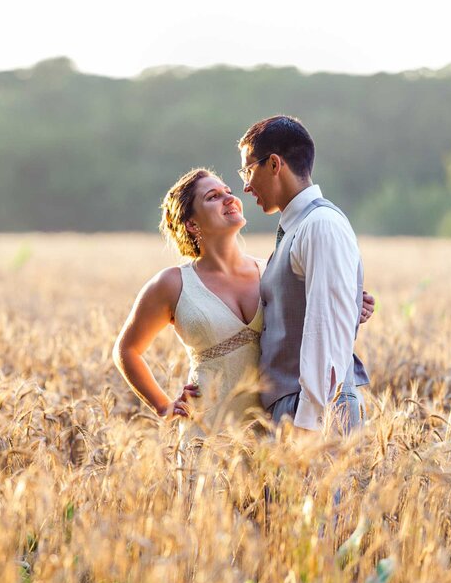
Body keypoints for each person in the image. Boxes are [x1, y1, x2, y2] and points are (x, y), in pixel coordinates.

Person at [112, 167, 374, 448]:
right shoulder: (173, 283)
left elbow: (312, 316)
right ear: (191, 224)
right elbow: (126, 350)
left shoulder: (272, 272)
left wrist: (348, 307)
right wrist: (163, 406)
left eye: (229, 192)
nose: (230, 199)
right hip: (207, 433)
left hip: (272, 428)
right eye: (213, 196)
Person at [238, 115, 370, 434]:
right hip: (295, 408)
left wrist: (309, 424)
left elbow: (324, 329)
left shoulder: (319, 225)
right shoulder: (298, 227)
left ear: (273, 164)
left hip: (311, 411)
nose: (245, 184)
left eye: (247, 169)